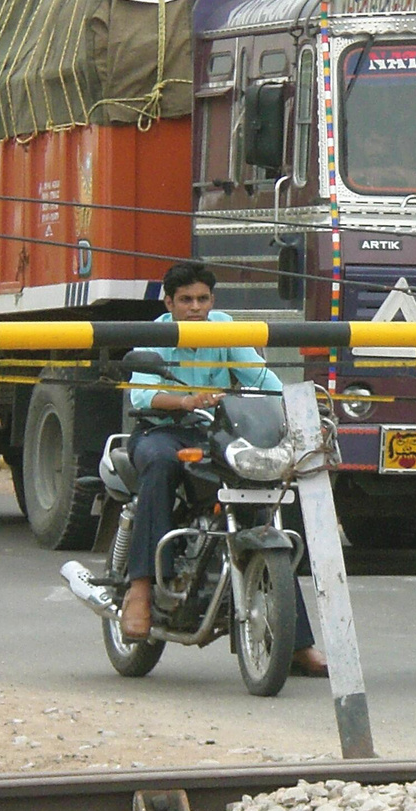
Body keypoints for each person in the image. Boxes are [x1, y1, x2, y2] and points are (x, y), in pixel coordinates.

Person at [120, 261, 328, 677]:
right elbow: (142, 397)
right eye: (185, 300)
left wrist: (303, 407)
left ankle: (294, 639)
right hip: (161, 433)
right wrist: (185, 401)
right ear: (169, 302)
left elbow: (261, 378)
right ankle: (140, 589)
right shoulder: (158, 335)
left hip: (211, 434)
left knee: (253, 486)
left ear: (213, 301)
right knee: (161, 465)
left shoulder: (225, 329)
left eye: (202, 299)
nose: (195, 308)